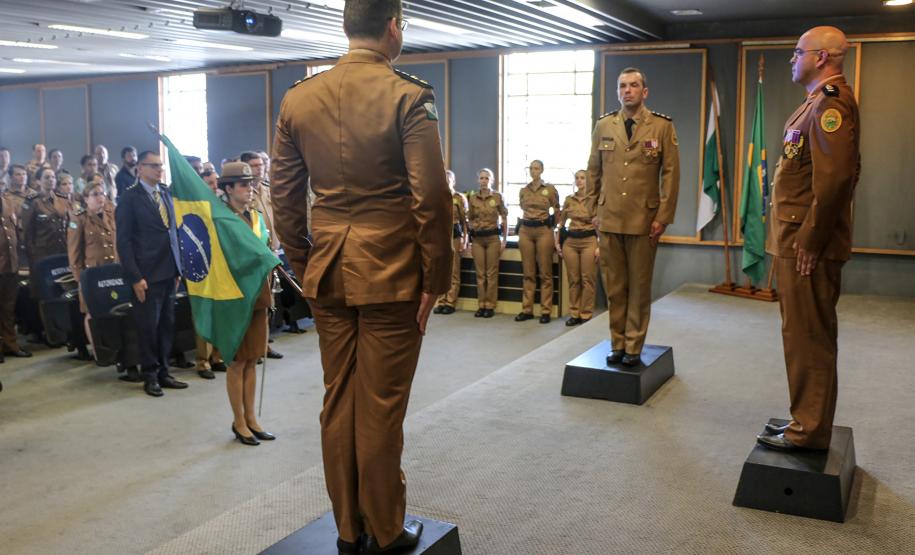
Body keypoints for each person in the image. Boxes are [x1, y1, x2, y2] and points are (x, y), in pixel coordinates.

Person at [271, 0, 452, 551]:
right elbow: (431, 197)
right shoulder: (409, 96)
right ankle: (388, 529)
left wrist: (304, 264)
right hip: (392, 273)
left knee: (339, 401)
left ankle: (349, 529)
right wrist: (435, 279)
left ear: (346, 26)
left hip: (327, 270)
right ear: (393, 28)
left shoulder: (299, 97)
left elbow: (284, 198)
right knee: (380, 405)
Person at [755, 27, 860, 452]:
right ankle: (806, 419)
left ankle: (810, 430)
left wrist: (811, 240)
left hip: (805, 244)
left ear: (821, 57)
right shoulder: (815, 102)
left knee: (809, 338)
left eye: (798, 52)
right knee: (800, 335)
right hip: (797, 237)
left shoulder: (831, 103)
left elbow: (836, 179)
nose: (792, 59)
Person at [587, 66, 680, 367]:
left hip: (644, 220)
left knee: (639, 288)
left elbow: (671, 174)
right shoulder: (604, 125)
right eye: (622, 86)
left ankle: (633, 345)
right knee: (615, 288)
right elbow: (593, 170)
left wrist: (663, 216)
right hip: (609, 217)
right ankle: (617, 343)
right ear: (618, 92)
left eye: (633, 85)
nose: (627, 90)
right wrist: (592, 211)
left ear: (645, 91)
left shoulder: (661, 126)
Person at [115, 151, 187, 397]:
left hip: (168, 270)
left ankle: (164, 371)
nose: (159, 170)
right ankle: (150, 375)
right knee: (148, 327)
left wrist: (177, 268)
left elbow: (172, 232)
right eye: (154, 166)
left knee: (167, 325)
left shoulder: (164, 193)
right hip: (146, 274)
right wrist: (135, 277)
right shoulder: (129, 198)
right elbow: (124, 242)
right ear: (140, 169)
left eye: (160, 165)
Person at [217, 161, 276, 444]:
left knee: (252, 359)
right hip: (235, 299)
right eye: (243, 185)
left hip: (258, 296)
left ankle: (251, 418)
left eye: (251, 184)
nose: (250, 189)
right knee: (237, 362)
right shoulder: (221, 221)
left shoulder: (256, 218)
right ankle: (238, 421)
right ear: (228, 189)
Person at [240, 151, 284, 360]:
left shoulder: (267, 189)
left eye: (261, 165)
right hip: (253, 257)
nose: (260, 168)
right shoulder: (245, 193)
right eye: (255, 165)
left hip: (271, 252)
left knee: (268, 303)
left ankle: (263, 344)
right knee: (253, 305)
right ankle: (251, 347)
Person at [67, 181, 117, 355]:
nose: (100, 197)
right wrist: (80, 278)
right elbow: (74, 253)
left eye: (102, 194)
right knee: (92, 312)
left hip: (113, 271)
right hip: (92, 275)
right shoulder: (79, 219)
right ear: (86, 199)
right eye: (95, 194)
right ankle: (98, 352)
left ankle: (114, 347)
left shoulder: (111, 214)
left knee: (114, 309)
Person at [516, 159, 560, 324]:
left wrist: (552, 226)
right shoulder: (523, 190)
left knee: (545, 273)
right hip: (526, 230)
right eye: (531, 168)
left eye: (536, 168)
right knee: (528, 273)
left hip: (543, 231)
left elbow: (557, 209)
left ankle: (546, 310)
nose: (533, 171)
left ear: (541, 170)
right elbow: (522, 207)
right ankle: (527, 310)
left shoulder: (549, 189)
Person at [557, 170, 598, 326]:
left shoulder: (594, 199)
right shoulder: (569, 199)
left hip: (589, 240)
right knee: (573, 279)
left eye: (583, 178)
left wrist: (600, 245)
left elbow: (601, 224)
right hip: (571, 242)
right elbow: (561, 223)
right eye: (577, 178)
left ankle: (586, 313)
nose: (580, 181)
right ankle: (574, 313)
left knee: (588, 279)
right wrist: (557, 242)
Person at [466, 168, 507, 318]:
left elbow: (504, 217)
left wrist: (504, 239)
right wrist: (469, 237)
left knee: (491, 273)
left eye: (487, 178)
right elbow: (470, 218)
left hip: (492, 238)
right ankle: (481, 304)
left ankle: (490, 306)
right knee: (480, 274)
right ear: (478, 180)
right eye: (482, 178)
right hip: (477, 239)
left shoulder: (497, 197)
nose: (484, 181)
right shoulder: (473, 198)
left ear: (492, 180)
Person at [1, 188, 31, 359]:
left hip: (10, 265)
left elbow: (15, 231)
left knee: (8, 308)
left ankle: (10, 344)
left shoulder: (8, 202)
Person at [433, 170, 467, 315]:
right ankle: (441, 301)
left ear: (453, 181)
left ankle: (450, 302)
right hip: (439, 236)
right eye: (444, 179)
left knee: (453, 270)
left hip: (455, 235)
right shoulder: (436, 197)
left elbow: (465, 221)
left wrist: (465, 239)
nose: (446, 182)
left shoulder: (459, 198)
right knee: (441, 270)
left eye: (449, 179)